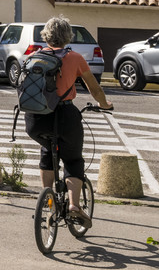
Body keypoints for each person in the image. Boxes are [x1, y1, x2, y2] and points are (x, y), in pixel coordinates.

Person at [23, 15, 113, 227]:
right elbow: (94, 88)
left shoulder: (33, 56)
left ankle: (48, 198)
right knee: (73, 159)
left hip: (35, 119)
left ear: (46, 35)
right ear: (68, 36)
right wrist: (104, 104)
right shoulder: (75, 58)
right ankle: (73, 205)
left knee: (47, 150)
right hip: (64, 115)